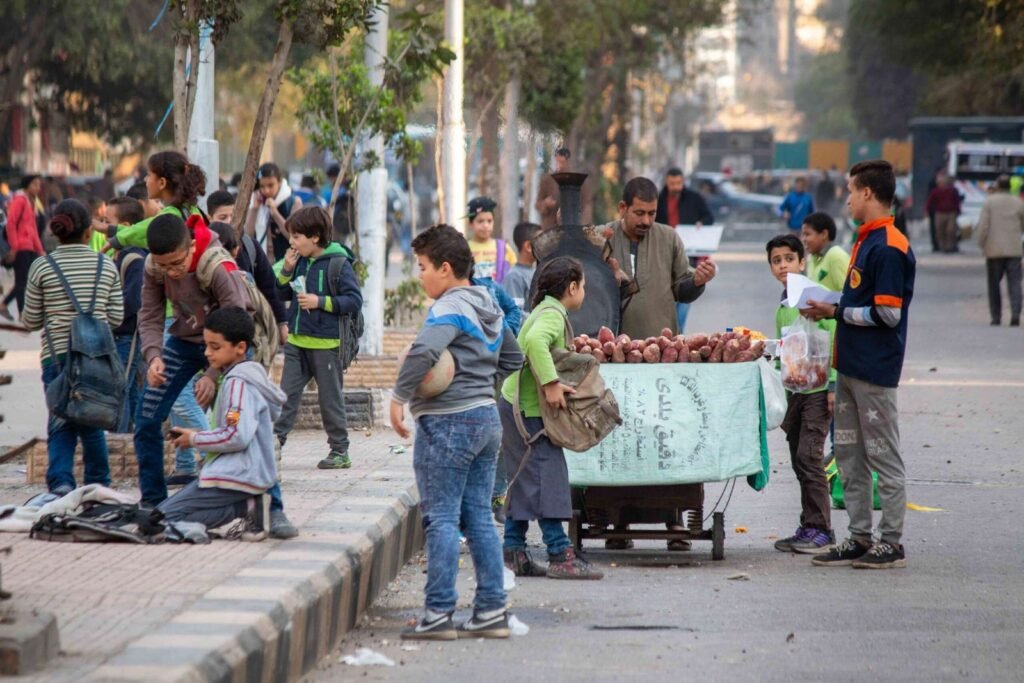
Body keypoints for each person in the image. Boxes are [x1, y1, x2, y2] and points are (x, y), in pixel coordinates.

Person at [390, 224, 523, 641]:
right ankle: (490, 611)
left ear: (445, 269)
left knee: (443, 518)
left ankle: (438, 614)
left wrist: (397, 397)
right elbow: (514, 358)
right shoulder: (489, 304)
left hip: (448, 422)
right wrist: (478, 378)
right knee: (479, 517)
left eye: (423, 266)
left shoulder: (450, 306)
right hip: (486, 420)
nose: (420, 275)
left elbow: (425, 351)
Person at [804, 159, 916, 570]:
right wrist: (837, 308)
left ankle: (891, 541)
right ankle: (859, 536)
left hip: (875, 370)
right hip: (849, 367)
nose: (847, 199)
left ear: (868, 193)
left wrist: (836, 312)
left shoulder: (889, 246)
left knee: (883, 454)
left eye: (851, 191)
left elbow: (888, 315)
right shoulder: (865, 240)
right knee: (849, 456)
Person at [601, 177, 717, 550]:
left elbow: (682, 287)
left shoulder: (669, 238)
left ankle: (674, 523)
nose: (646, 220)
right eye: (639, 213)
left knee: (666, 437)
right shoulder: (602, 238)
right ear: (622, 209)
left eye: (651, 213)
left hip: (661, 359)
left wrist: (697, 282)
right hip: (613, 361)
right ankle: (615, 523)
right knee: (619, 439)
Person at [134, 213, 251, 506]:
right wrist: (153, 357)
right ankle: (153, 503)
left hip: (230, 344)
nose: (171, 273)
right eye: (164, 266)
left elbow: (238, 318)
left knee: (243, 421)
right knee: (146, 417)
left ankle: (259, 500)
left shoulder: (217, 265)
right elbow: (149, 315)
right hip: (184, 340)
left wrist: (212, 373)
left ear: (191, 246)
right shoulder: (153, 268)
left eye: (177, 264)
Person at [499, 256, 604, 580]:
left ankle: (514, 550)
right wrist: (551, 384)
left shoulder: (545, 309)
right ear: (571, 287)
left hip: (515, 406)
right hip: (526, 413)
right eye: (582, 286)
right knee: (548, 479)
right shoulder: (553, 315)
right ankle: (560, 553)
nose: (583, 291)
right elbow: (532, 343)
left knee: (524, 480)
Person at [21, 199, 123, 495]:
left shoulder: (42, 266)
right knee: (92, 419)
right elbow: (116, 317)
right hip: (97, 356)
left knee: (61, 419)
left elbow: (30, 320)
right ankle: (98, 484)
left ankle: (61, 483)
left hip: (56, 357)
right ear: (89, 233)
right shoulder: (106, 265)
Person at [159, 306, 286, 532]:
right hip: (239, 473)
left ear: (240, 348)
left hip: (237, 474)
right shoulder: (240, 377)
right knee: (164, 515)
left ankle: (248, 507)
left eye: (215, 347)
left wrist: (195, 439)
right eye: (206, 345)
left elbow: (236, 435)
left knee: (159, 520)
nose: (207, 353)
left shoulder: (238, 383)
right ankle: (248, 507)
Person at [274, 207, 363, 470]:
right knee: (285, 397)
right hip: (297, 342)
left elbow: (354, 300)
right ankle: (274, 446)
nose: (292, 242)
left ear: (315, 237)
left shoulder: (339, 263)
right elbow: (281, 294)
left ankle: (339, 451)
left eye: (297, 236)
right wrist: (287, 271)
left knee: (329, 399)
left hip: (327, 344)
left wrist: (320, 302)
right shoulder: (300, 260)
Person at [766, 234, 836, 554]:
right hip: (795, 389)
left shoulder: (814, 297)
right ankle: (808, 524)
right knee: (798, 458)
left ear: (802, 261)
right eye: (777, 261)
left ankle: (821, 529)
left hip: (819, 389)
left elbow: (835, 337)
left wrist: (834, 384)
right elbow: (783, 349)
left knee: (810, 456)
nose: (783, 266)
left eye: (789, 259)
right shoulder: (783, 306)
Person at [105, 152, 205, 252]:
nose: (145, 179)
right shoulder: (191, 209)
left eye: (149, 175)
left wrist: (115, 240)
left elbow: (142, 230)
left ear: (162, 183)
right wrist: (112, 230)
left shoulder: (170, 215)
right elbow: (138, 230)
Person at [106, 196, 148, 433]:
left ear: (127, 227)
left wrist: (108, 315)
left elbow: (132, 301)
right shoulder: (120, 256)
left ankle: (118, 439)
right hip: (120, 334)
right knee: (130, 390)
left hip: (127, 335)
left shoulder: (134, 258)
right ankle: (132, 440)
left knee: (119, 390)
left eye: (109, 223)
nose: (107, 230)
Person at [655, 168, 714, 333]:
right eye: (672, 183)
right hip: (664, 252)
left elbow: (709, 217)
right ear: (667, 182)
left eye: (678, 183)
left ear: (683, 182)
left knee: (687, 289)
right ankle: (669, 329)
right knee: (668, 292)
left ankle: (678, 330)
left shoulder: (694, 198)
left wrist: (701, 223)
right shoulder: (658, 200)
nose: (675, 187)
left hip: (689, 252)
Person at [208, 222, 289, 342]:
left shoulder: (250, 249)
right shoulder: (203, 268)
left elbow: (269, 288)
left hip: (245, 335)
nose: (230, 221)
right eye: (223, 217)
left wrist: (282, 322)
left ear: (235, 251)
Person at [975, 174, 1024, 326]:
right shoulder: (1018, 202)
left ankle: (996, 316)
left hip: (994, 248)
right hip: (1014, 249)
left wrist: (981, 242)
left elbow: (983, 225)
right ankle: (1015, 314)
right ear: (1010, 186)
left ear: (997, 186)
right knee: (1015, 283)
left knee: (994, 284)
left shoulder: (990, 202)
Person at [0, 175, 46, 321]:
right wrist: (14, 247)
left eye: (39, 185)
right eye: (35, 185)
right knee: (22, 282)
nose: (38, 188)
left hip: (30, 247)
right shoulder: (20, 200)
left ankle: (3, 305)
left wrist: (40, 250)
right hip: (21, 247)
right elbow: (11, 224)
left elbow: (32, 230)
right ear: (27, 185)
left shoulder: (31, 202)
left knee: (25, 281)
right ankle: (22, 314)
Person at [245, 162, 302, 262]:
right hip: (263, 260)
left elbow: (294, 235)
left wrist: (275, 213)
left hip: (287, 261)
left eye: (271, 185)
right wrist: (254, 209)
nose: (266, 191)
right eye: (262, 186)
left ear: (279, 182)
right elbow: (247, 235)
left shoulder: (293, 202)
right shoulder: (257, 203)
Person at [466, 197, 515, 284]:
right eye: (480, 221)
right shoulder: (464, 248)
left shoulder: (504, 249)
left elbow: (514, 275)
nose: (485, 225)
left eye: (489, 221)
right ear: (470, 223)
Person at [801, 211, 850, 292]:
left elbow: (849, 295)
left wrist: (830, 305)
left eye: (807, 234)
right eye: (803, 235)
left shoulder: (836, 255)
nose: (804, 239)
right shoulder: (812, 258)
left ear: (824, 234)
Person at [502, 222, 541, 312]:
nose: (545, 245)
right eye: (541, 241)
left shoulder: (537, 271)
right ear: (528, 247)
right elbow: (515, 314)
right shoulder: (514, 276)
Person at [925, 172, 961, 253]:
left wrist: (958, 210)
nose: (941, 184)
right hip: (939, 213)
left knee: (950, 230)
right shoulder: (935, 191)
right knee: (939, 230)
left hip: (951, 213)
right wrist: (927, 210)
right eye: (940, 183)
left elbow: (957, 201)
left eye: (943, 183)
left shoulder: (952, 191)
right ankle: (942, 246)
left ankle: (950, 246)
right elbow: (930, 201)